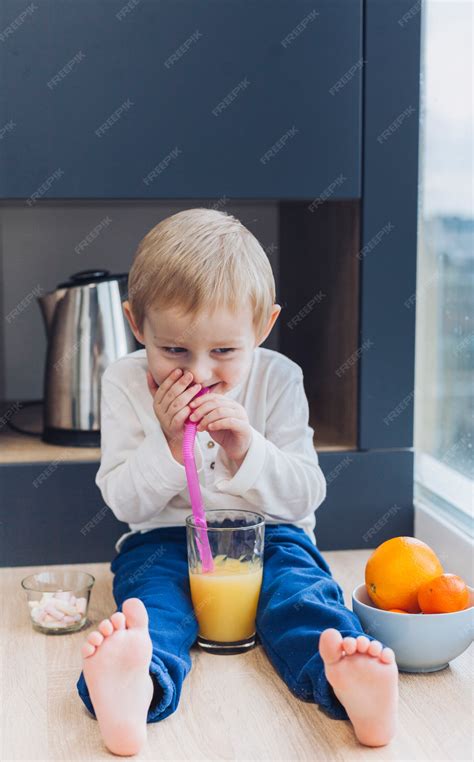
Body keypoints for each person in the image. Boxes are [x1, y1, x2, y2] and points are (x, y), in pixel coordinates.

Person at [76, 208, 399, 756]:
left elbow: (304, 493)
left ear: (263, 326)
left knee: (301, 599)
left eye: (224, 351)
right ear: (137, 325)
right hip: (163, 541)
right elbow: (125, 502)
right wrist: (165, 443)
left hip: (273, 538)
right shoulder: (125, 382)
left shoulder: (278, 379)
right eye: (173, 350)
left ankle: (345, 684)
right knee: (153, 608)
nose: (199, 373)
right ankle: (136, 683)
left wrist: (246, 448)